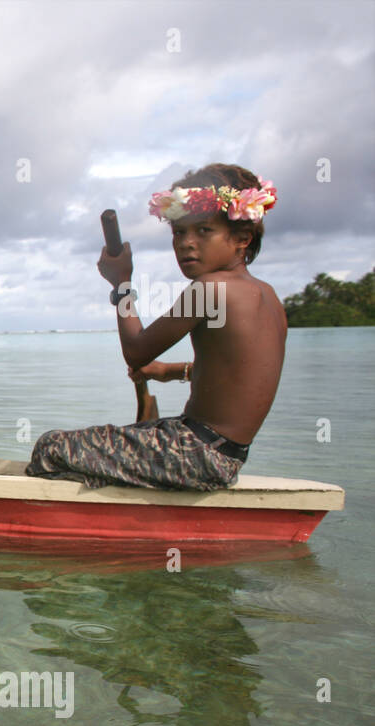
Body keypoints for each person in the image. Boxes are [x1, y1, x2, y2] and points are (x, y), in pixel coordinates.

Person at [25, 163, 282, 490]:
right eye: (179, 232)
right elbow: (236, 370)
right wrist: (168, 371)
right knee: (105, 444)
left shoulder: (210, 289)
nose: (186, 243)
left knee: (51, 447)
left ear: (241, 238)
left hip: (197, 454)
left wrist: (121, 282)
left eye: (203, 231)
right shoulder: (268, 296)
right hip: (225, 453)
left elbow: (135, 350)